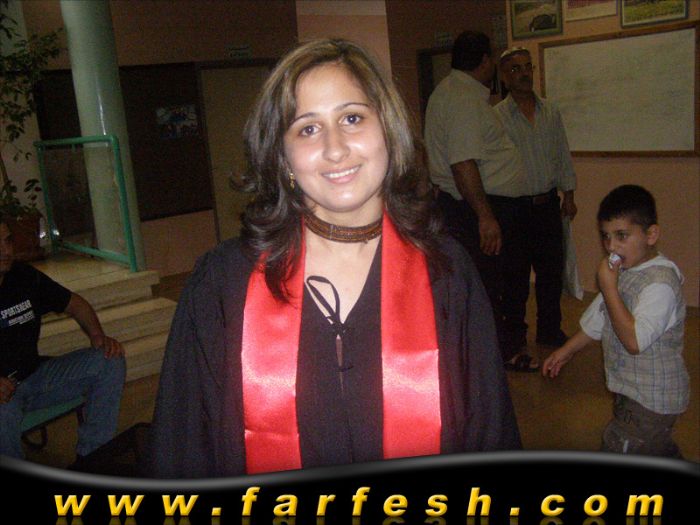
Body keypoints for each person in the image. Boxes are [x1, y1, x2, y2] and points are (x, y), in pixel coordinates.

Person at [149, 38, 521, 478]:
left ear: (388, 131)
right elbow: (183, 453)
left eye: (352, 118)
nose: (335, 148)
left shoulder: (447, 273)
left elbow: (489, 434)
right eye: (307, 128)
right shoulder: (222, 285)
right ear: (283, 157)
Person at [542, 185, 689, 457]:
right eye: (606, 236)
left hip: (652, 399)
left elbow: (634, 341)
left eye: (622, 236)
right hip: (629, 390)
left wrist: (609, 287)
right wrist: (567, 351)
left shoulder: (660, 284)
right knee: (655, 449)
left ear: (651, 235)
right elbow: (600, 319)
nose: (611, 246)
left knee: (621, 445)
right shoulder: (625, 271)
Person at [423, 31, 536, 371]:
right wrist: (486, 217)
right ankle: (504, 352)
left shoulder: (454, 91)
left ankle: (496, 349)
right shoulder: (463, 98)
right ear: (486, 61)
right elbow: (463, 164)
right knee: (495, 285)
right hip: (479, 207)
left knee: (491, 283)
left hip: (473, 205)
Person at [0, 215, 126, 461]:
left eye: (7, 241)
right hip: (4, 397)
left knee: (109, 361)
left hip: (35, 375)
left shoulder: (23, 277)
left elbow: (76, 304)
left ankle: (92, 459)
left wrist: (98, 336)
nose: (5, 250)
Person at [494, 46, 577, 353]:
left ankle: (549, 330)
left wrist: (569, 194)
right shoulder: (496, 117)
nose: (524, 73)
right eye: (515, 69)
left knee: (550, 274)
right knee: (514, 278)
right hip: (514, 210)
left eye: (528, 67)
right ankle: (515, 335)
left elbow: (562, 153)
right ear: (504, 77)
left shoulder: (550, 111)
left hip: (547, 206)